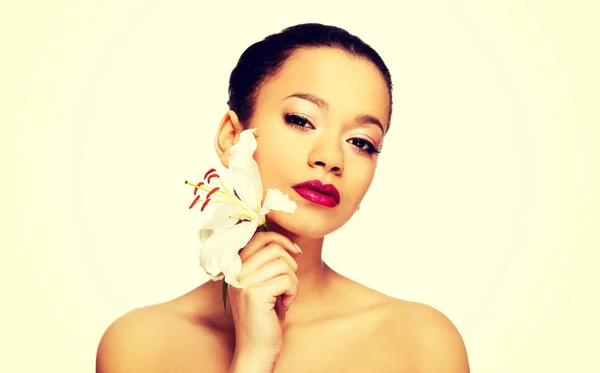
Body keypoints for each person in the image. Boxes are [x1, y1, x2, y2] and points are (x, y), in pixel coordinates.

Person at [96, 23, 470, 373]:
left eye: (361, 142)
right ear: (232, 137)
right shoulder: (141, 346)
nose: (330, 158)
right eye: (301, 120)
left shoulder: (422, 344)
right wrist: (253, 358)